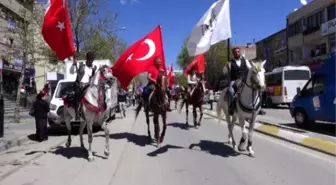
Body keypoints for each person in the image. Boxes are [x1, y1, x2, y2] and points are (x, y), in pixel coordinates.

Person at [70, 52, 97, 120]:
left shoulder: (93, 68)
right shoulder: (80, 65)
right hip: (79, 85)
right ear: (86, 59)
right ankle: (77, 113)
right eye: (89, 60)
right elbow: (71, 71)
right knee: (77, 97)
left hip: (88, 85)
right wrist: (73, 65)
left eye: (92, 60)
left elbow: (93, 78)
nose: (91, 62)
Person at [224, 47, 251, 115]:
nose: (237, 53)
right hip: (234, 80)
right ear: (233, 53)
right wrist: (227, 67)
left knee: (255, 87)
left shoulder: (245, 60)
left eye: (238, 51)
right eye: (235, 52)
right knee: (230, 91)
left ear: (240, 52)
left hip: (244, 80)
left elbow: (250, 68)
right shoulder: (230, 62)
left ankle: (257, 107)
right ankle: (231, 107)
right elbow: (224, 71)